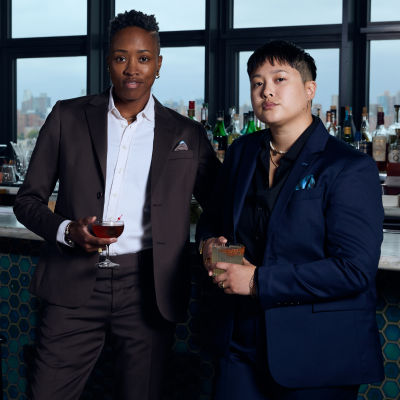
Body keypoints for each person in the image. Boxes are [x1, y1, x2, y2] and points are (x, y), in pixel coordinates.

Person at [14, 9, 220, 400]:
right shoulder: (67, 117)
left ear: (158, 64)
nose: (132, 69)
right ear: (108, 60)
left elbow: (221, 204)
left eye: (144, 58)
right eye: (122, 57)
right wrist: (68, 231)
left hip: (148, 288)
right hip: (72, 281)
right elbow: (27, 200)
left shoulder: (187, 133)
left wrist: (214, 241)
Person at [196, 40, 384, 400]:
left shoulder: (348, 166)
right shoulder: (241, 152)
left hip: (317, 351)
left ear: (310, 89)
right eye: (257, 82)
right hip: (239, 344)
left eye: (279, 79)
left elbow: (354, 270)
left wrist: (257, 282)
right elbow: (213, 221)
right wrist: (209, 246)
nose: (266, 90)